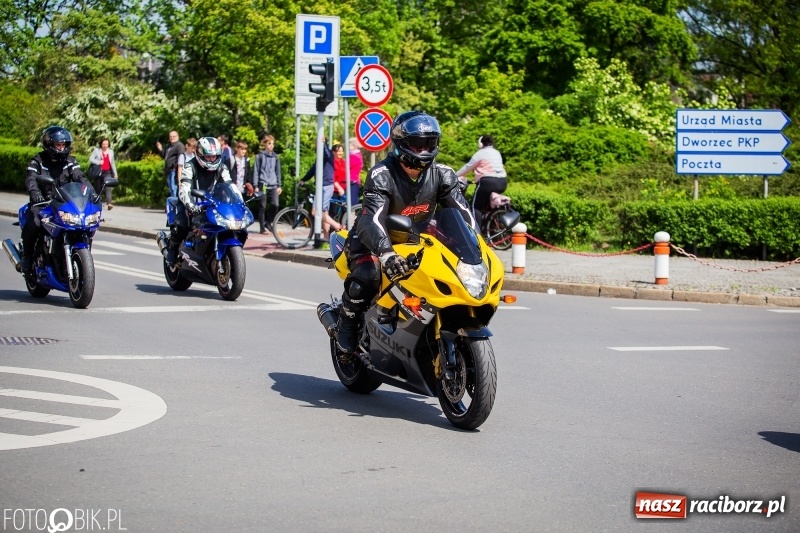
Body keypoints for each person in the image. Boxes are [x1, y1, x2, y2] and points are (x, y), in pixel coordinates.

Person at [334, 111, 475, 353]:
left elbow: (463, 213)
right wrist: (386, 253)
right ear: (400, 143)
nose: (423, 150)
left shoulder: (443, 174)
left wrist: (476, 244)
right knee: (368, 275)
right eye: (417, 144)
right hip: (373, 238)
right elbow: (373, 219)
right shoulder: (381, 174)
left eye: (428, 143)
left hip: (414, 239)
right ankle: (346, 321)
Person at [21, 126, 94, 275]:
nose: (61, 148)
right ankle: (27, 257)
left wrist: (91, 192)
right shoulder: (38, 160)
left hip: (63, 203)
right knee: (34, 223)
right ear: (49, 145)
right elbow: (31, 179)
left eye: (63, 145)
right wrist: (35, 194)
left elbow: (80, 177)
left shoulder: (70, 161)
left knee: (85, 224)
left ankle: (79, 257)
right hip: (43, 203)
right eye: (57, 145)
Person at [165, 136, 233, 265]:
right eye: (208, 157)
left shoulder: (222, 168)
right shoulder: (190, 166)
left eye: (214, 156)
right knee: (182, 224)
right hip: (191, 202)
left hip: (212, 203)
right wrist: (190, 205)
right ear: (200, 154)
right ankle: (172, 250)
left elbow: (230, 187)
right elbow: (184, 188)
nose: (212, 159)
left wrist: (237, 202)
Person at [455, 134, 507, 226]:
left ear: (481, 144)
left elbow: (467, 167)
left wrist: (453, 175)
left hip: (488, 182)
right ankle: (490, 223)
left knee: (476, 207)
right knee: (487, 204)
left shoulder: (480, 153)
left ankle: (476, 232)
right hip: (503, 182)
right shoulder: (496, 152)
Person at [300, 138, 342, 243]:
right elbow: (313, 170)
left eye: (317, 143)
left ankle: (338, 226)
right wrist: (303, 180)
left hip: (326, 186)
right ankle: (327, 237)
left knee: (317, 212)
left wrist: (323, 144)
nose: (316, 145)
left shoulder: (328, 154)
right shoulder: (319, 157)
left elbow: (327, 152)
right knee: (324, 213)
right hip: (321, 186)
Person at [252, 135, 282, 234]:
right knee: (262, 206)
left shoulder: (276, 157)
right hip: (263, 183)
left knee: (275, 204)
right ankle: (262, 228)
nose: (271, 146)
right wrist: (255, 185)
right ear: (265, 144)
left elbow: (278, 171)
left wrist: (279, 185)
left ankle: (268, 222)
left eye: (273, 144)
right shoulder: (259, 156)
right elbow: (256, 171)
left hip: (273, 184)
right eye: (269, 143)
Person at [88, 138, 118, 209]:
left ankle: (109, 203)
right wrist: (99, 162)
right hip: (99, 172)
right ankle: (97, 202)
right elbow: (91, 159)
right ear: (101, 144)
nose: (105, 145)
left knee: (108, 186)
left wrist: (115, 173)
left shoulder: (111, 152)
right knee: (98, 188)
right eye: (104, 144)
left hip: (107, 172)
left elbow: (112, 163)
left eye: (106, 144)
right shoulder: (97, 151)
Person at [156, 131, 185, 198]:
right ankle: (173, 203)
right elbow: (164, 155)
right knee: (171, 188)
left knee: (174, 187)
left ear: (177, 136)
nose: (172, 138)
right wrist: (160, 148)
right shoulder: (169, 146)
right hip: (168, 170)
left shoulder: (179, 145)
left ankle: (175, 203)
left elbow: (180, 158)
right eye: (170, 136)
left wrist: (176, 167)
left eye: (173, 136)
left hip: (174, 170)